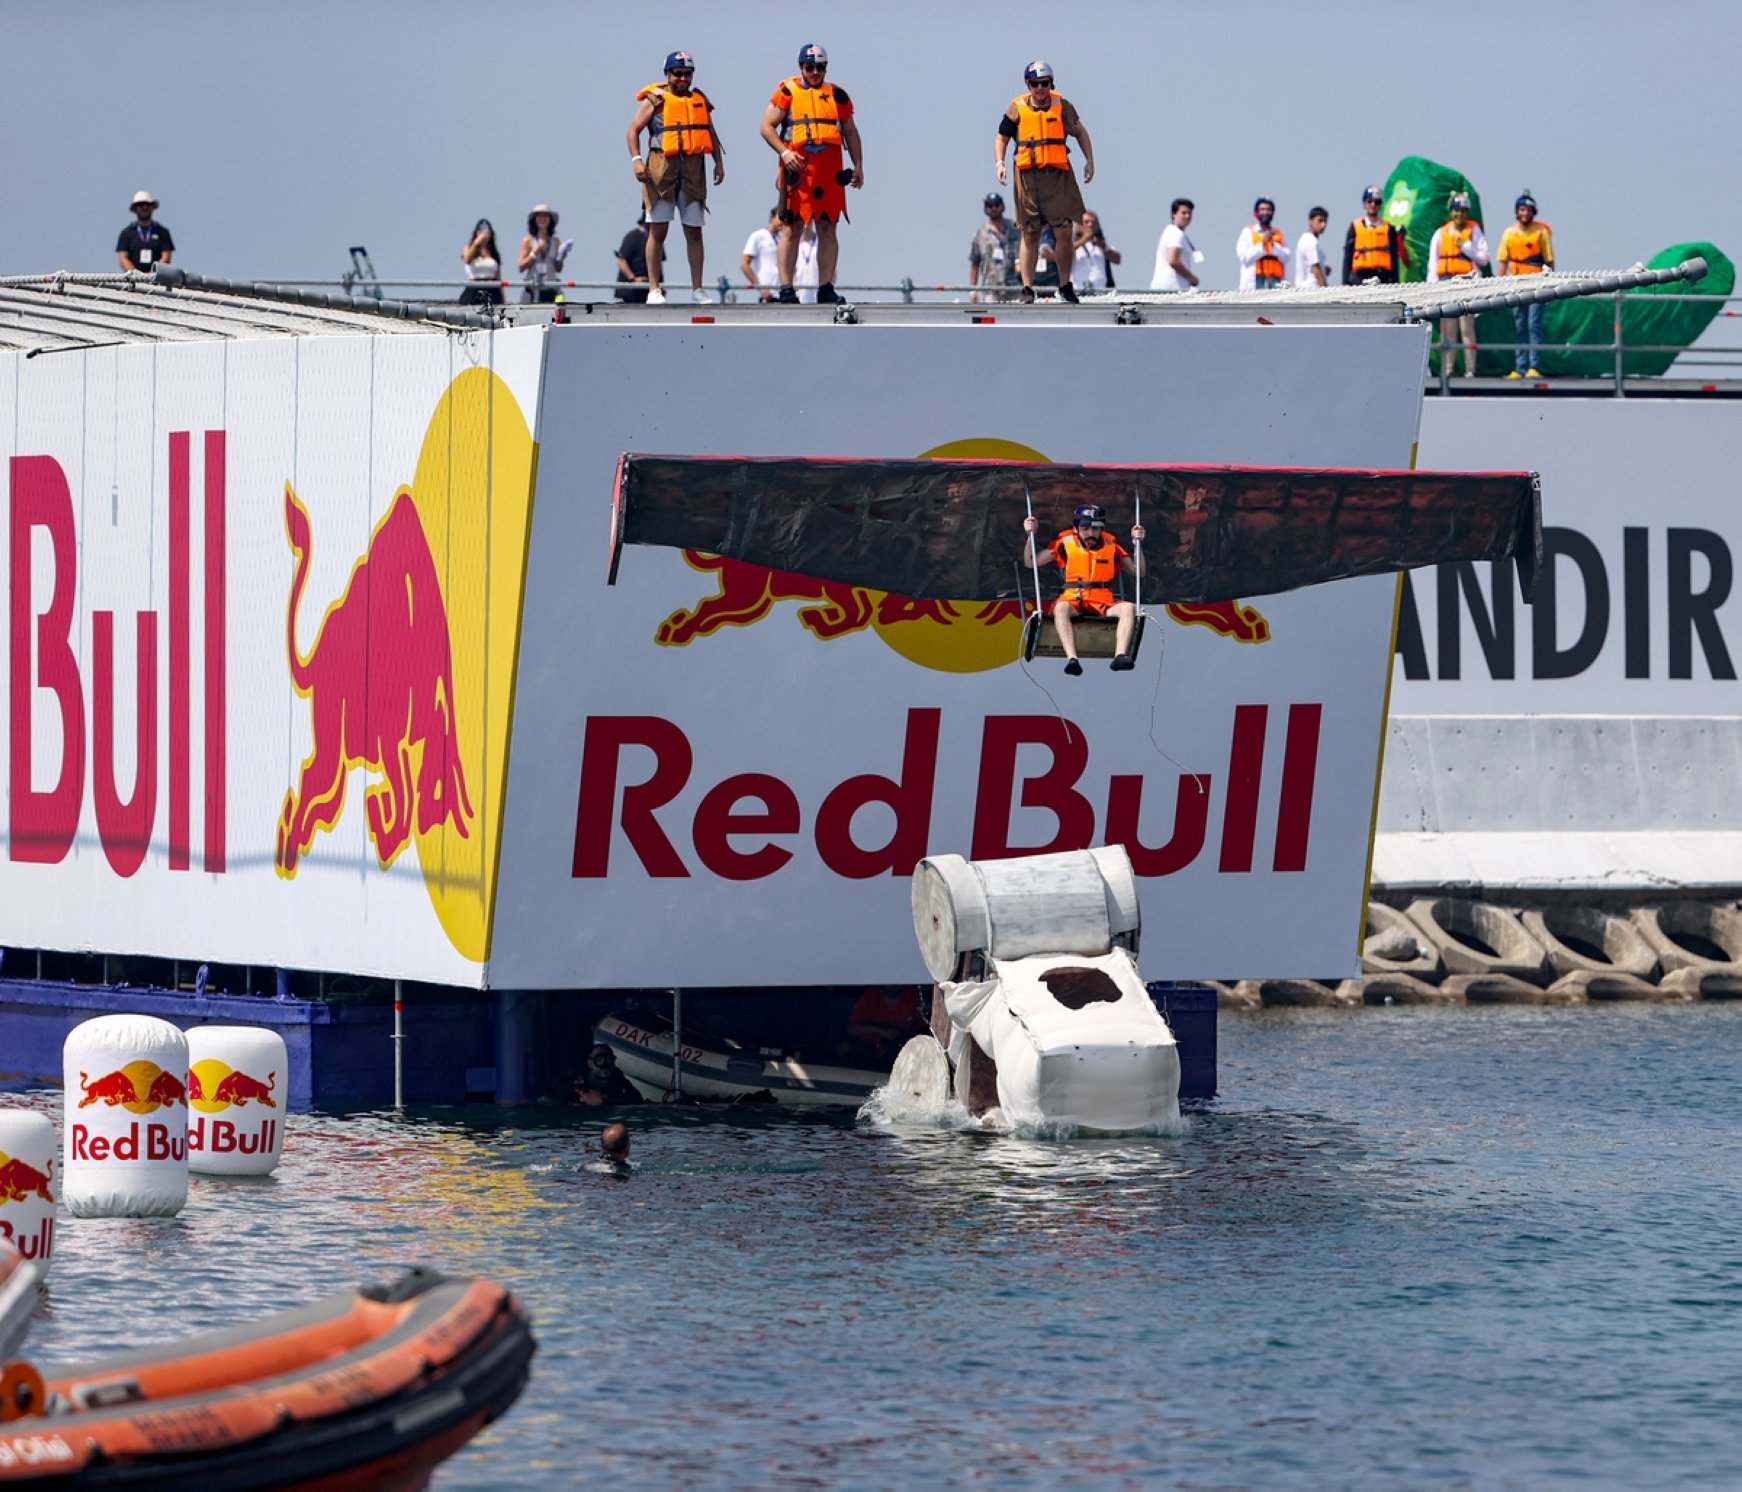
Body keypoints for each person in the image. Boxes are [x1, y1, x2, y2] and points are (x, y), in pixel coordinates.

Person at [761, 43, 863, 306]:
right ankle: (786, 289)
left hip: (829, 170)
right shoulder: (787, 92)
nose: (815, 72)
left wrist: (859, 164)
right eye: (810, 67)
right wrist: (784, 153)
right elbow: (766, 127)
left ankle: (826, 288)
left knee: (828, 227)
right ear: (801, 68)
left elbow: (850, 131)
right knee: (792, 227)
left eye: (820, 67)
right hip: (798, 168)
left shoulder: (838, 95)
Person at [628, 50, 725, 306]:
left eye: (687, 74)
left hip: (693, 169)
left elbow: (710, 132)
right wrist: (637, 161)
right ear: (668, 74)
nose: (683, 78)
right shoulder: (654, 99)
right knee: (658, 229)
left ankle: (698, 289)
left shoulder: (699, 99)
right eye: (678, 73)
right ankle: (653, 288)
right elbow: (633, 130)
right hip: (661, 168)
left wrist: (719, 162)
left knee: (694, 231)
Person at [996, 60, 1094, 304]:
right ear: (1028, 85)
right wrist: (1000, 163)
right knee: (1030, 233)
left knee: (1063, 231)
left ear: (1051, 83)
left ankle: (1065, 285)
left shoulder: (1062, 106)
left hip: (1058, 176)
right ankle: (1028, 288)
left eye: (1045, 83)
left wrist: (1089, 160)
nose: (1040, 89)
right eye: (1035, 84)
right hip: (1029, 179)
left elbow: (1080, 131)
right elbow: (1002, 138)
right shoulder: (1017, 108)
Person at [1022, 504, 1146, 673]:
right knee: (1061, 608)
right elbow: (1031, 562)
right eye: (1085, 528)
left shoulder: (1113, 548)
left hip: (1102, 601)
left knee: (1128, 608)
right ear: (1076, 528)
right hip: (1073, 598)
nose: (1090, 534)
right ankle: (1072, 659)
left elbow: (1138, 571)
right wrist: (1031, 535)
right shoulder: (1064, 545)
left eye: (1095, 529)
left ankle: (1120, 655)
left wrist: (1137, 543)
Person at [1427, 193, 1491, 377]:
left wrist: (1467, 247)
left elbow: (1484, 258)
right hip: (1446, 284)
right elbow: (1433, 263)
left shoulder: (1474, 231)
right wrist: (1433, 288)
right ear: (1451, 212)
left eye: (1463, 211)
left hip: (1467, 284)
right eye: (1456, 210)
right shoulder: (1440, 233)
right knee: (1448, 330)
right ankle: (1447, 370)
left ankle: (1470, 369)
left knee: (1467, 329)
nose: (1459, 215)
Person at [1497, 190, 1555, 378]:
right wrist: (1499, 287)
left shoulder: (1541, 232)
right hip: (1516, 284)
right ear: (1517, 211)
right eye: (1522, 209)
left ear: (1533, 211)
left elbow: (1549, 260)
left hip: (1537, 284)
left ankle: (1534, 366)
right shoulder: (1509, 233)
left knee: (1533, 324)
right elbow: (1503, 262)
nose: (1525, 213)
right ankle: (1520, 367)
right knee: (1520, 325)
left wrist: (1551, 287)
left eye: (1528, 209)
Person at [838, 986, 927, 1064]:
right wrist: (881, 1030)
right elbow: (852, 1028)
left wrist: (902, 1037)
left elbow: (925, 1029)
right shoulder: (872, 995)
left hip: (904, 1051)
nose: (891, 986)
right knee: (845, 1048)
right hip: (870, 1050)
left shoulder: (911, 996)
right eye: (888, 983)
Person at [1342, 185, 1405, 286]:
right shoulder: (1355, 227)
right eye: (1370, 201)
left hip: (1383, 277)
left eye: (1377, 202)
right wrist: (1345, 281)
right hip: (1360, 277)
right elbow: (1348, 256)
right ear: (1364, 203)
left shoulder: (1388, 228)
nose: (1373, 205)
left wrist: (1395, 281)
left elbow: (1394, 256)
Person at [968, 191, 1021, 303]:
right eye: (990, 206)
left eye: (997, 205)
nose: (994, 208)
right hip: (991, 287)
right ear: (986, 209)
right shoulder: (980, 234)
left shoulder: (1015, 229)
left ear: (1002, 206)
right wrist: (973, 291)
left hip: (1015, 286)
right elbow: (974, 264)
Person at [519, 203, 570, 303]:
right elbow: (521, 266)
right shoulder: (528, 240)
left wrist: (561, 257)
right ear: (534, 219)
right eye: (539, 216)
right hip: (533, 288)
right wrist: (534, 252)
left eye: (545, 216)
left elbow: (558, 269)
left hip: (551, 287)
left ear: (550, 220)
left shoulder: (555, 241)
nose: (542, 219)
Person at [1236, 197, 1289, 291]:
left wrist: (1273, 246)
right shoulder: (1248, 232)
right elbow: (1244, 257)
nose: (1266, 212)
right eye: (1262, 210)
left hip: (1275, 281)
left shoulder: (1277, 233)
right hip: (1253, 282)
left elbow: (1287, 256)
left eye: (1268, 210)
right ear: (1256, 212)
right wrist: (1262, 244)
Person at [116, 190, 174, 272]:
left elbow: (166, 256)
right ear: (135, 209)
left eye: (147, 205)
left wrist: (152, 274)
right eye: (140, 205)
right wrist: (136, 275)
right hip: (133, 281)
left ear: (152, 207)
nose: (144, 207)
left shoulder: (162, 232)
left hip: (157, 281)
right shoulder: (126, 233)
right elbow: (123, 258)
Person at [1150, 198, 1199, 291]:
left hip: (1168, 287)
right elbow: (1173, 260)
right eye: (1183, 213)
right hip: (1172, 288)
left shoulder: (1171, 231)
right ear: (1174, 214)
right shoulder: (1176, 234)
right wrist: (1191, 277)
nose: (1187, 216)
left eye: (1189, 213)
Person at [613, 214, 662, 302]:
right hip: (631, 291)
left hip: (647, 290)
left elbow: (658, 263)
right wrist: (633, 279)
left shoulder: (656, 240)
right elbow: (621, 260)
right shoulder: (633, 237)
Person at [574, 1044, 643, 1106]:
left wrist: (605, 1100)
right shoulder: (580, 1077)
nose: (605, 1065)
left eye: (609, 1059)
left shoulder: (616, 1076)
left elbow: (637, 1098)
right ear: (590, 1064)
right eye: (599, 1060)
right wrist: (583, 1097)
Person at [1072, 210, 1121, 295]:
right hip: (1078, 291)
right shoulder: (1074, 244)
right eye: (1086, 222)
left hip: (1100, 292)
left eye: (1093, 222)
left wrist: (1103, 246)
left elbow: (1117, 259)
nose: (1090, 225)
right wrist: (1084, 240)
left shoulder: (1101, 245)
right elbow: (1065, 255)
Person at [741, 206, 782, 301]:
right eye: (780, 217)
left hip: (780, 292)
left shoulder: (782, 239)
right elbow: (744, 264)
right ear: (772, 217)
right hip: (767, 294)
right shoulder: (758, 236)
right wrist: (761, 288)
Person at [459, 218, 503, 306]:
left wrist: (502, 297)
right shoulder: (467, 247)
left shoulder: (493, 252)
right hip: (474, 287)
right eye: (480, 230)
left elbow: (498, 276)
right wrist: (476, 243)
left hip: (492, 288)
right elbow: (467, 259)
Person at [1294, 205, 1331, 288]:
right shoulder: (1311, 241)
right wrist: (1325, 290)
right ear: (1310, 221)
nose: (1323, 225)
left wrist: (1324, 270)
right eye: (1320, 221)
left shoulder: (1305, 239)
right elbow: (1316, 269)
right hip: (1311, 289)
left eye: (1325, 221)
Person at [794, 218, 821, 302]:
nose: (806, 226)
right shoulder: (796, 245)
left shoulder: (819, 244)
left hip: (817, 289)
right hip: (799, 290)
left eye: (808, 223)